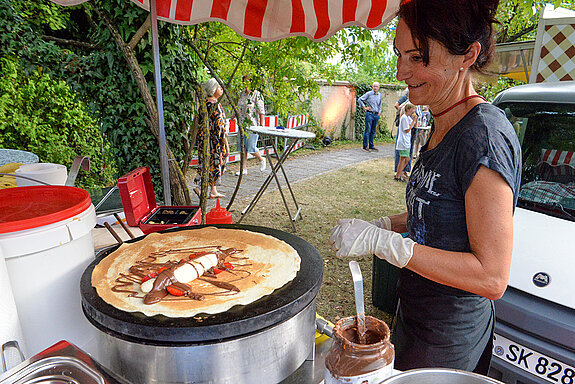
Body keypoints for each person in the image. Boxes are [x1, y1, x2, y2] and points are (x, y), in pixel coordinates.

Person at [330, 0, 522, 375]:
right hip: (415, 314)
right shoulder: (441, 119)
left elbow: (492, 276)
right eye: (399, 55)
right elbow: (439, 209)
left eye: (417, 58)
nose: (401, 71)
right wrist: (384, 225)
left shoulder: (482, 136)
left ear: (467, 55)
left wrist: (387, 246)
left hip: (449, 336)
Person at [194, 78, 228, 199]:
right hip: (214, 141)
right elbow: (220, 127)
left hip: (203, 139)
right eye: (219, 87)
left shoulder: (204, 104)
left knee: (205, 162)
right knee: (216, 162)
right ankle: (200, 187)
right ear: (214, 89)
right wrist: (226, 144)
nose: (222, 89)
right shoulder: (215, 105)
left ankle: (212, 190)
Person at [236, 76, 266, 176]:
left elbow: (261, 111)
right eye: (244, 81)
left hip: (253, 125)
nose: (245, 83)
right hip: (242, 124)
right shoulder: (242, 94)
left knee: (251, 147)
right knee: (243, 147)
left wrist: (261, 126)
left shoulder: (257, 94)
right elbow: (239, 107)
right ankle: (243, 169)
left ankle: (261, 159)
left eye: (247, 81)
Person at [395, 103, 418, 182]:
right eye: (413, 109)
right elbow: (407, 130)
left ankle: (399, 173)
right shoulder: (404, 118)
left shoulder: (408, 118)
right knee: (403, 159)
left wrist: (416, 120)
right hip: (403, 141)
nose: (414, 111)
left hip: (407, 141)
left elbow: (415, 126)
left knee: (407, 159)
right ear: (408, 109)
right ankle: (398, 176)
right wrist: (413, 121)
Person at [358, 82, 382, 152]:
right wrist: (364, 107)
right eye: (374, 86)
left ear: (379, 87)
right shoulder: (369, 94)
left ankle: (371, 145)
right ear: (372, 87)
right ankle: (365, 146)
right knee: (367, 130)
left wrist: (379, 113)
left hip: (376, 114)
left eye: (376, 86)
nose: (375, 88)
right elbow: (360, 99)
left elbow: (380, 104)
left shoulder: (379, 95)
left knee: (373, 131)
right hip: (369, 114)